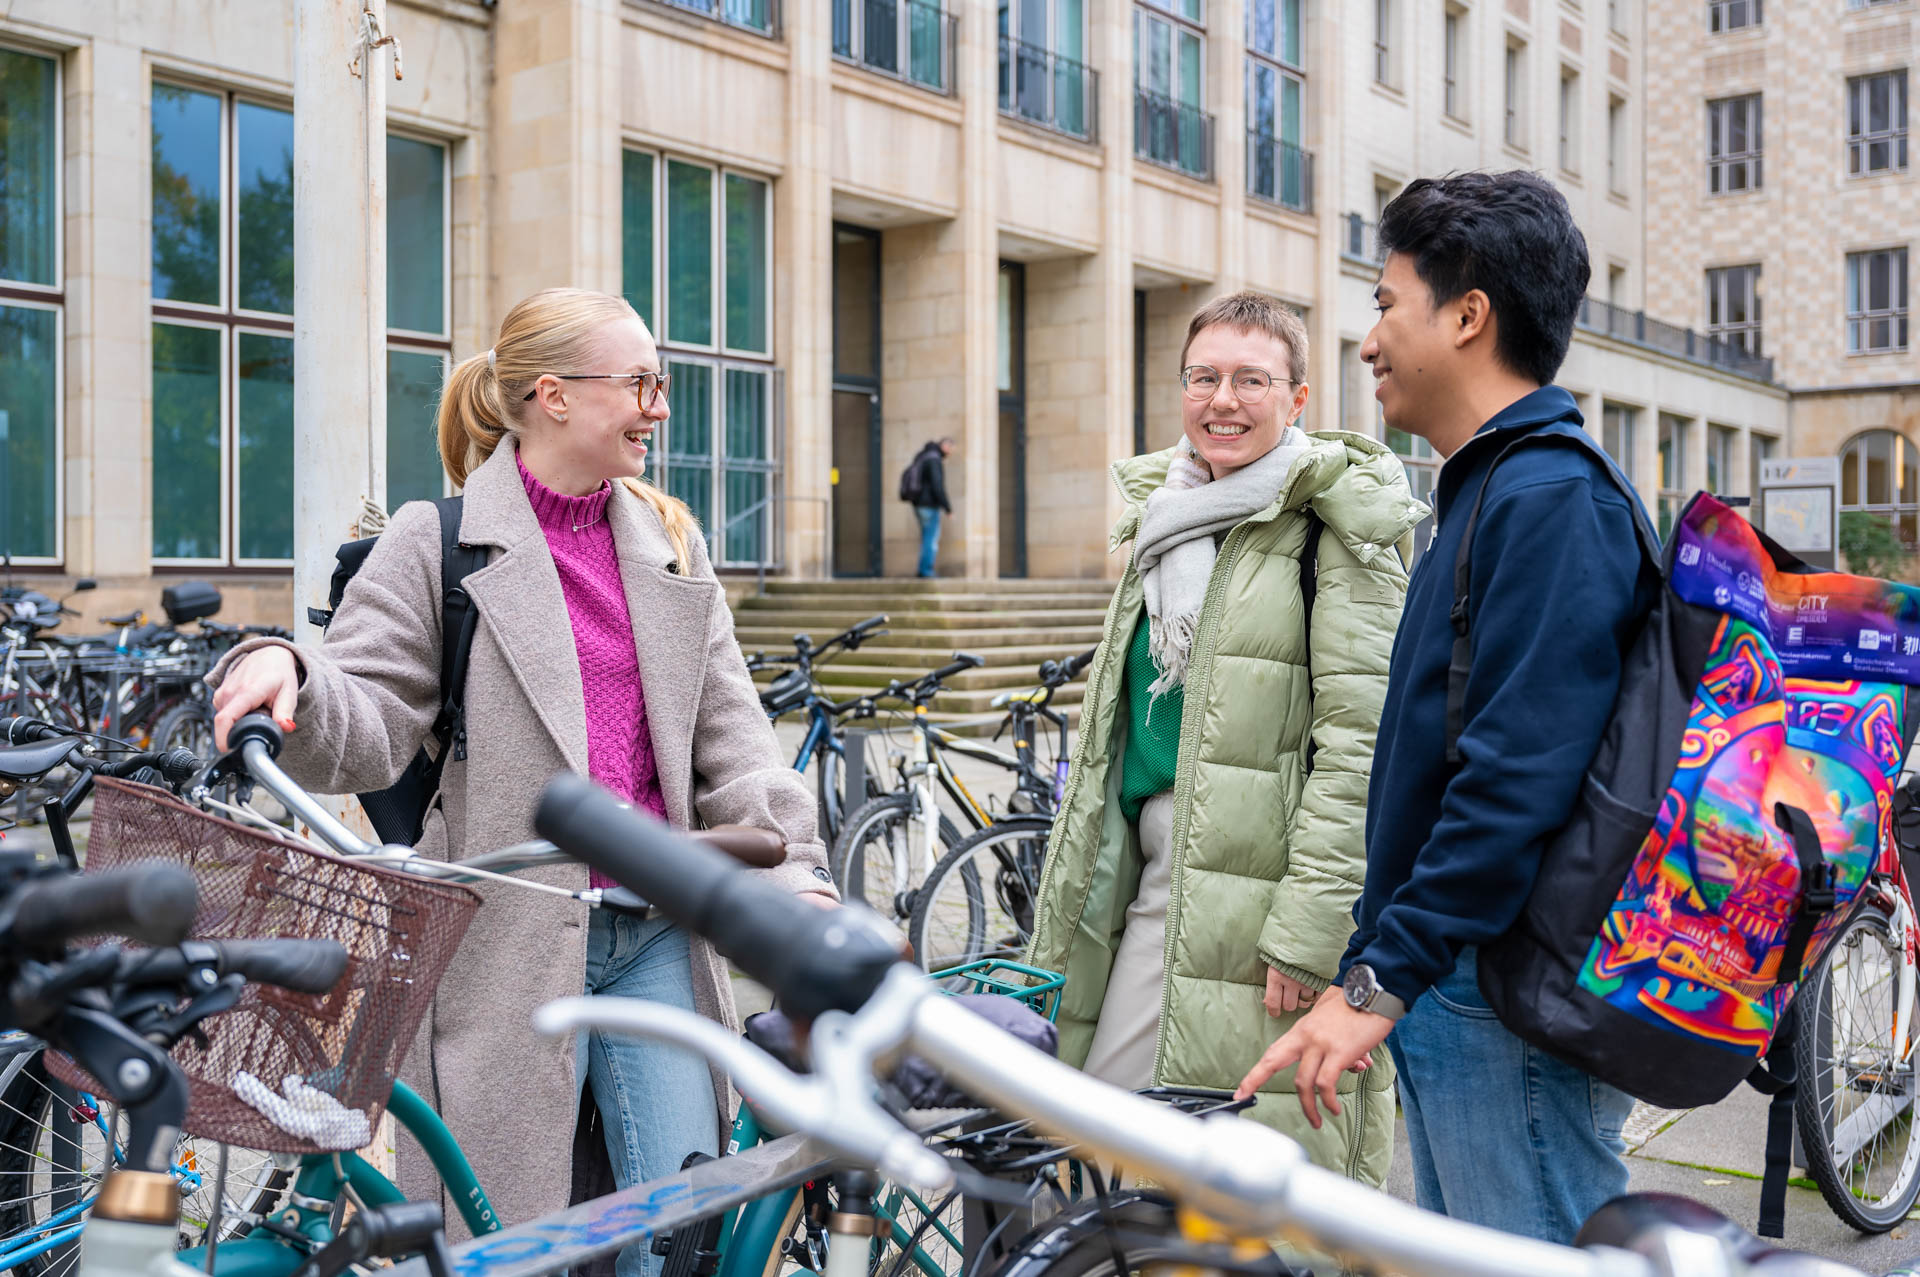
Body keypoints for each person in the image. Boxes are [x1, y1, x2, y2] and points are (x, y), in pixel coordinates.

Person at [206, 288, 838, 1277]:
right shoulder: (435, 540)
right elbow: (368, 717)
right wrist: (291, 671)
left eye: (658, 383)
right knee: (505, 1248)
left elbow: (738, 748)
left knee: (682, 1236)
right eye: (640, 383)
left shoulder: (671, 544)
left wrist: (800, 879)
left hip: (658, 933)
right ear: (552, 395)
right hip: (501, 946)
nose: (659, 406)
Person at [1236, 172, 1658, 1242]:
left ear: (1468, 315)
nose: (1369, 340)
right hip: (1468, 988)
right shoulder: (1491, 486)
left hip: (1501, 995)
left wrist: (1384, 974)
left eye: (1386, 303)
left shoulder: (1552, 498)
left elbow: (1514, 779)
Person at [1023, 291, 1423, 1187]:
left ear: (1299, 396)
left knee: (1256, 1164)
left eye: (1252, 378)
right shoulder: (1165, 514)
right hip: (1153, 866)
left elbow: (1363, 746)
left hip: (1267, 891)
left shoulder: (1335, 529)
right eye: (1203, 377)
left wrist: (1313, 928)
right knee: (1121, 1140)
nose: (1223, 400)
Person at [902, 436, 954, 577]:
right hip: (929, 505)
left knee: (927, 537)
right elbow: (937, 486)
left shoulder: (923, 456)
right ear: (944, 446)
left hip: (918, 503)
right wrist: (947, 507)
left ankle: (923, 569)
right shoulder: (934, 460)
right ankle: (926, 570)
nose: (949, 453)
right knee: (931, 539)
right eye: (950, 449)